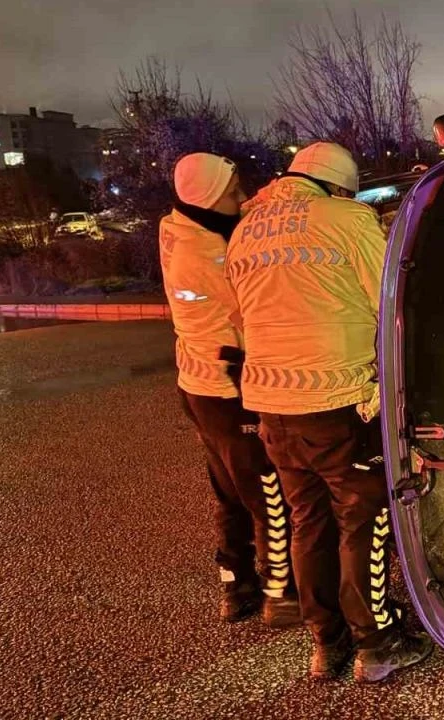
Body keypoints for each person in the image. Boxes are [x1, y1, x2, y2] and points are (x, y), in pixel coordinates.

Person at [225, 142, 433, 682]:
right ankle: (378, 643)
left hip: (272, 406)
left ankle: (327, 642)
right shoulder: (347, 218)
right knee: (363, 521)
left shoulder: (247, 229)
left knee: (307, 521)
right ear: (339, 186)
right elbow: (391, 300)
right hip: (339, 400)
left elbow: (239, 316)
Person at [161, 153, 300, 626]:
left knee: (230, 492)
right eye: (233, 190)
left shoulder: (181, 226)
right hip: (228, 388)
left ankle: (236, 584)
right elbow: (255, 308)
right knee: (267, 494)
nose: (242, 197)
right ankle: (282, 594)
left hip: (199, 385)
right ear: (208, 197)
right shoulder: (206, 255)